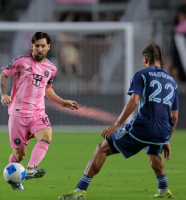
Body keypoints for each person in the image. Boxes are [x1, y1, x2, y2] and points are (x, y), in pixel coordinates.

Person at [58, 43, 179, 199]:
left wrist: (117, 124)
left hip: (143, 127)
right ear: (161, 61)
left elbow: (134, 101)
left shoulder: (141, 75)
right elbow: (174, 116)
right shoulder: (172, 82)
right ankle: (164, 190)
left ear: (145, 59)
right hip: (163, 130)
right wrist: (166, 139)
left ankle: (80, 189)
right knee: (154, 152)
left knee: (102, 148)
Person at [0, 32, 79, 190]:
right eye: (37, 46)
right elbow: (3, 75)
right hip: (18, 114)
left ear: (48, 47)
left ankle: (30, 169)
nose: (40, 49)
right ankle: (13, 179)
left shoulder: (51, 68)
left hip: (38, 113)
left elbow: (48, 89)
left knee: (47, 135)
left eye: (43, 46)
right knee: (19, 155)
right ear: (32, 46)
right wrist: (4, 94)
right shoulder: (21, 61)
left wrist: (63, 102)